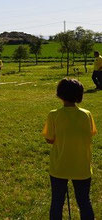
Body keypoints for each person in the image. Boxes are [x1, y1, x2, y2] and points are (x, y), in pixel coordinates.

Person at [42, 78, 97, 219]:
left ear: (59, 94)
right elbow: (90, 133)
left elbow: (49, 139)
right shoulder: (87, 115)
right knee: (84, 202)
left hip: (59, 167)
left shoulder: (53, 115)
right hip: (82, 167)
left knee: (56, 203)